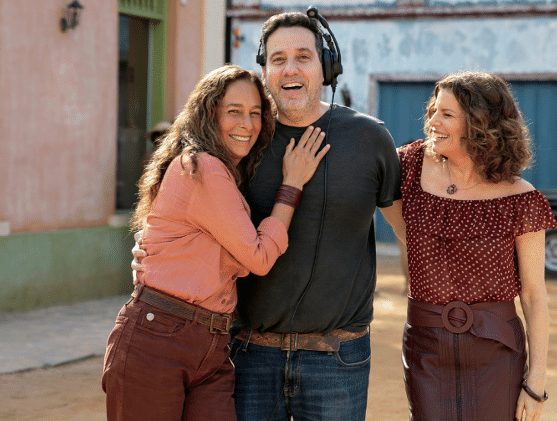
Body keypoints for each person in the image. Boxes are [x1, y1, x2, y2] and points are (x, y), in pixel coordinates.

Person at [133, 10, 401, 421]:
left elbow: (408, 234)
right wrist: (149, 254)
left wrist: (426, 322)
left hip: (337, 357)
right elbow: (184, 213)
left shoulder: (371, 138)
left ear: (325, 66)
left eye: (303, 57)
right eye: (277, 59)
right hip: (248, 354)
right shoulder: (241, 140)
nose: (290, 69)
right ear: (263, 71)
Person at [102, 65, 328, 421]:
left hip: (212, 345)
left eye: (256, 113)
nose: (247, 124)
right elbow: (258, 257)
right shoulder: (203, 167)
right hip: (158, 338)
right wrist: (293, 185)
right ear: (210, 114)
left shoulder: (222, 174)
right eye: (234, 111)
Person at [380, 71, 555, 421]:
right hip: (426, 348)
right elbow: (399, 223)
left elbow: (534, 297)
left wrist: (536, 383)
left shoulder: (523, 200)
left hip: (497, 352)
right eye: (433, 110)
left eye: (446, 114)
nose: (432, 122)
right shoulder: (408, 166)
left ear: (481, 124)